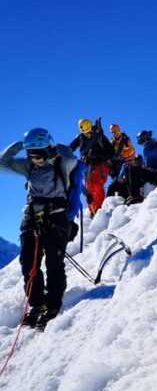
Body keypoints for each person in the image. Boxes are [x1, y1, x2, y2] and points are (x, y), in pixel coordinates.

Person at [0, 129, 76, 329]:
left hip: (56, 216)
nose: (35, 159)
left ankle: (53, 304)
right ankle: (37, 304)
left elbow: (72, 159)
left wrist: (57, 147)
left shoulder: (62, 163)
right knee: (28, 261)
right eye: (31, 154)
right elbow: (2, 162)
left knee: (53, 260)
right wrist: (19, 144)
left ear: (48, 149)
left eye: (39, 154)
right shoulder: (29, 166)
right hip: (32, 217)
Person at [69, 118, 113, 216]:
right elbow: (71, 147)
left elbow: (110, 151)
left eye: (89, 132)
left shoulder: (99, 136)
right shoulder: (80, 138)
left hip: (100, 165)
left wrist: (101, 157)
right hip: (87, 167)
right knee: (89, 189)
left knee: (97, 186)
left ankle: (99, 210)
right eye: (85, 133)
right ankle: (92, 211)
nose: (87, 135)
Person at [129, 130, 157, 202]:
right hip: (154, 172)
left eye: (141, 140)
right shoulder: (147, 149)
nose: (142, 144)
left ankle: (136, 197)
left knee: (133, 170)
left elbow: (156, 157)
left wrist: (149, 140)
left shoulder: (155, 144)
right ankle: (133, 195)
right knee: (129, 170)